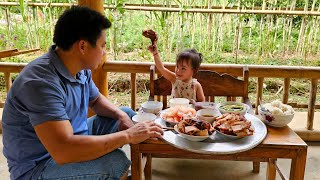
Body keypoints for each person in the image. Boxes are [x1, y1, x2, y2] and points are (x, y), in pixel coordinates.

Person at [2, 6, 163, 180]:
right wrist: (127, 136)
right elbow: (64, 151)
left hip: (73, 138)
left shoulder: (80, 68)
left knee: (128, 116)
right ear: (83, 46)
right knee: (116, 163)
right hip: (40, 166)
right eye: (102, 46)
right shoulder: (40, 83)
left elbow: (95, 100)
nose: (104, 52)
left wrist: (119, 115)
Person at [145, 30, 205, 102]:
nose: (178, 70)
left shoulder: (196, 86)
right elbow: (161, 68)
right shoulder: (174, 79)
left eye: (183, 68)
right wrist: (155, 54)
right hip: (174, 112)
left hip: (190, 113)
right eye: (177, 66)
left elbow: (202, 103)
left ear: (193, 71)